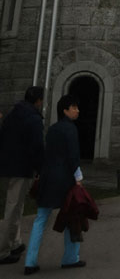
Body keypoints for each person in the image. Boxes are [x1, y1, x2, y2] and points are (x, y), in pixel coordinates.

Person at [24, 95, 86, 274]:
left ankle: (30, 261)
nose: (77, 110)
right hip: (65, 179)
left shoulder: (52, 129)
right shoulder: (71, 129)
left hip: (48, 177)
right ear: (65, 110)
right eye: (74, 107)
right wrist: (78, 176)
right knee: (72, 216)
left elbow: (47, 152)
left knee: (40, 219)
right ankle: (70, 258)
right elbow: (73, 156)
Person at [0, 87, 44, 266]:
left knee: (15, 206)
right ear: (39, 101)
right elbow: (37, 147)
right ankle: (3, 251)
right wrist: (41, 169)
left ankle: (15, 242)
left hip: (5, 167)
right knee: (13, 209)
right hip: (20, 169)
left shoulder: (13, 114)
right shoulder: (33, 119)